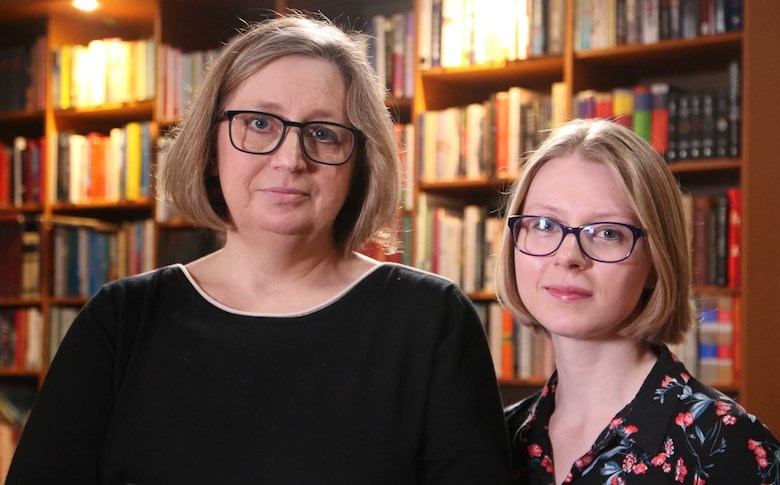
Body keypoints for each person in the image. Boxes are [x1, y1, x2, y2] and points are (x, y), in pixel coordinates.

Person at [7, 12, 510, 484]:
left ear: (359, 163)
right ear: (209, 147)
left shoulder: (430, 320)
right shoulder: (121, 320)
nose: (290, 159)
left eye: (323, 133)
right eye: (260, 124)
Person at [497, 118, 780, 484]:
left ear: (656, 263)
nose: (568, 256)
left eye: (607, 232)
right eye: (545, 225)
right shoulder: (498, 439)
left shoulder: (732, 448)